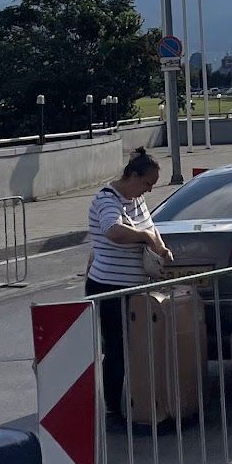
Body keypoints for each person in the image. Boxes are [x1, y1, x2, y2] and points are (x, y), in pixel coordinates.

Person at [87, 148, 174, 423]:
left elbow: (150, 226)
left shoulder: (135, 200)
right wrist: (146, 238)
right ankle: (113, 407)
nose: (148, 190)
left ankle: (135, 400)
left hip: (134, 288)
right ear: (133, 176)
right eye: (147, 183)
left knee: (134, 346)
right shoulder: (107, 199)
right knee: (116, 348)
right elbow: (113, 231)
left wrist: (159, 248)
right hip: (109, 287)